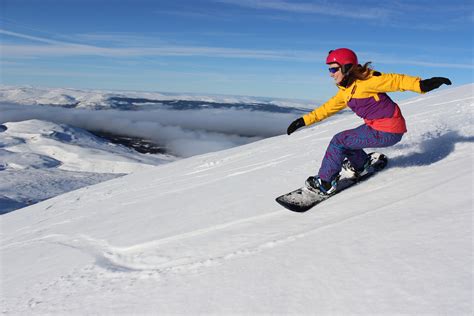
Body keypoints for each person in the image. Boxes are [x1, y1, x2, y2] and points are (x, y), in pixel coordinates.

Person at [287, 48, 451, 195]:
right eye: (329, 69)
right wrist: (303, 121)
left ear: (346, 67)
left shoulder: (368, 81)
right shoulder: (347, 90)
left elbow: (395, 80)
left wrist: (422, 85)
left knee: (339, 141)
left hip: (388, 130)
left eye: (333, 69)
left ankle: (325, 183)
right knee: (346, 140)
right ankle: (361, 165)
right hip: (377, 126)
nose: (330, 73)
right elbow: (328, 108)